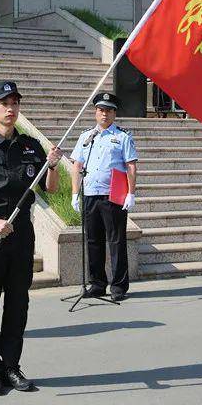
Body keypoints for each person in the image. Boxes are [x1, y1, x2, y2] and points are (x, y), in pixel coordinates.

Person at [0, 80, 63, 396]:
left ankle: (11, 365)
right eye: (4, 102)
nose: (11, 108)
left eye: (15, 102)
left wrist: (54, 166)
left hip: (21, 237)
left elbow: (51, 188)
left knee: (18, 305)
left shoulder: (31, 146)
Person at [70, 92, 138, 302]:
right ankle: (97, 283)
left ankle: (118, 286)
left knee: (116, 241)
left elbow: (131, 166)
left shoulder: (122, 137)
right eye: (101, 110)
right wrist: (75, 193)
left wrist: (131, 193)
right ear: (95, 112)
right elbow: (77, 165)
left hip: (113, 196)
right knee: (93, 241)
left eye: (109, 111)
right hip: (91, 194)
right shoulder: (86, 136)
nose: (104, 114)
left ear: (114, 113)